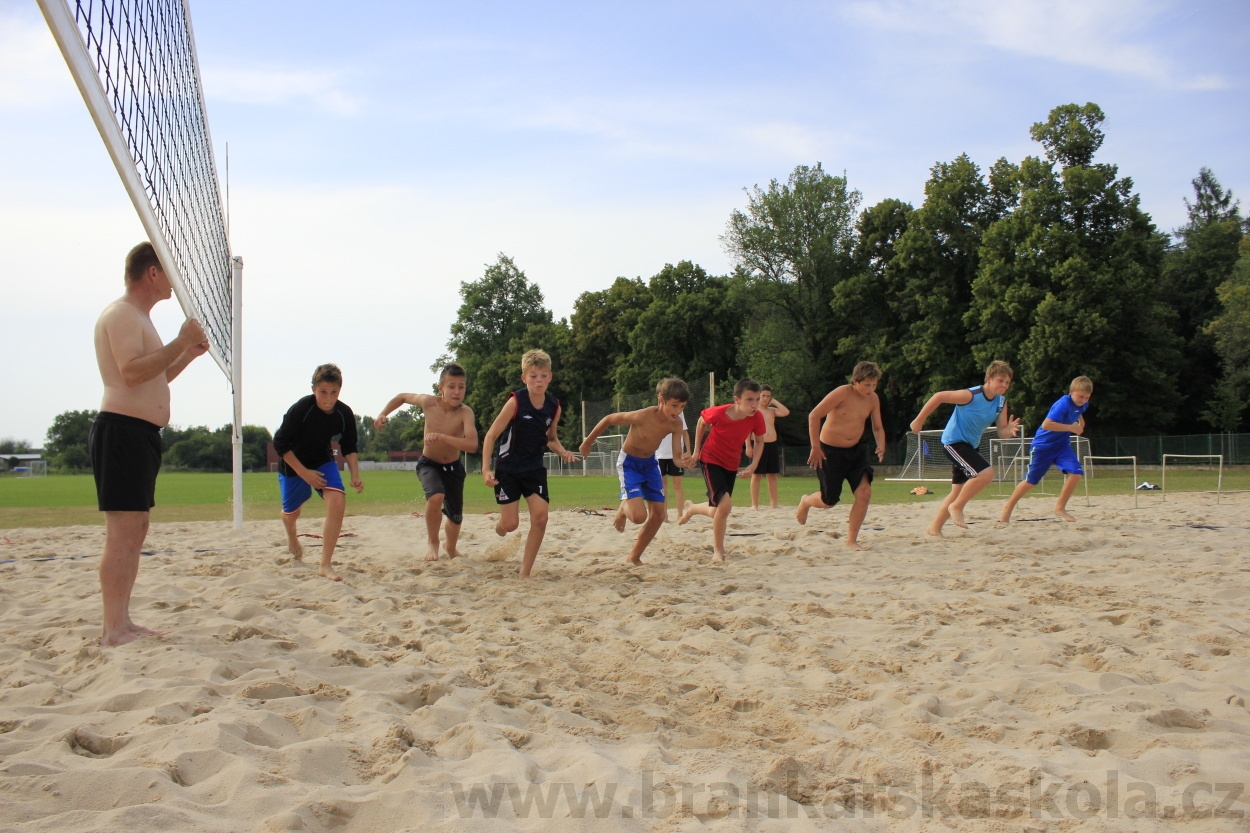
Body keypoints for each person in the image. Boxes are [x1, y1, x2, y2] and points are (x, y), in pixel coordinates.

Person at [90, 242, 209, 646]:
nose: (175, 283)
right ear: (152, 273)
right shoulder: (122, 314)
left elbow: (155, 377)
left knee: (136, 530)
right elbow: (131, 374)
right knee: (122, 534)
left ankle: (122, 621)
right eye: (169, 273)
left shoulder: (140, 318)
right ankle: (113, 629)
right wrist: (179, 341)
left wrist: (187, 354)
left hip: (140, 435)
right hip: (121, 432)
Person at [481, 349, 579, 579]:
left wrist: (563, 452)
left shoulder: (554, 406)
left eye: (543, 375)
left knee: (541, 517)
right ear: (524, 378)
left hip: (534, 469)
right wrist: (486, 469)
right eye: (533, 376)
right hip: (508, 469)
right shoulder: (516, 402)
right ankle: (501, 524)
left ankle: (524, 573)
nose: (539, 381)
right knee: (511, 524)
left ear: (550, 377)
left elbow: (551, 438)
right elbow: (490, 435)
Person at [579, 378, 694, 564]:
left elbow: (676, 457)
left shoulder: (676, 424)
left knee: (659, 514)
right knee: (639, 517)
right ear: (661, 400)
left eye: (682, 407)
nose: (678, 411)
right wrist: (588, 442)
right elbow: (609, 419)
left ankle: (634, 557)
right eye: (674, 406)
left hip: (650, 464)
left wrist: (684, 462)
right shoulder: (643, 416)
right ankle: (623, 509)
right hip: (629, 463)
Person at [375, 362, 478, 561]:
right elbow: (402, 397)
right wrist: (383, 413)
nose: (457, 392)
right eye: (451, 386)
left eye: (461, 386)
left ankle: (451, 547)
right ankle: (433, 542)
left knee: (455, 518)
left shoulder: (466, 412)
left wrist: (442, 437)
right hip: (429, 463)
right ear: (441, 389)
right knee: (436, 496)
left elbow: (472, 445)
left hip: (454, 468)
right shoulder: (429, 402)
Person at [273, 364, 364, 581]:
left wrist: (355, 476)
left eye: (334, 392)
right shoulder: (301, 409)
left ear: (340, 390)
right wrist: (304, 473)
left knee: (337, 501)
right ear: (314, 389)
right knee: (291, 514)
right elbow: (280, 444)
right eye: (323, 392)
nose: (328, 398)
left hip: (322, 460)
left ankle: (325, 564)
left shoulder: (344, 413)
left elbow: (349, 446)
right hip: (293, 464)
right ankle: (292, 535)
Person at [910, 360, 1020, 536]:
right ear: (989, 379)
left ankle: (935, 528)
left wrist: (1009, 430)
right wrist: (919, 420)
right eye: (1001, 380)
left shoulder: (1001, 402)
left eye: (1008, 382)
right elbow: (939, 396)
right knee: (986, 474)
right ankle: (957, 507)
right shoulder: (971, 395)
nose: (1005, 385)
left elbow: (1001, 432)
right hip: (953, 442)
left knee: (958, 491)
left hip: (970, 446)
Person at [795, 362, 886, 550]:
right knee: (829, 501)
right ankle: (806, 501)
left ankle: (851, 540)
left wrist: (881, 444)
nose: (871, 389)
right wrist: (815, 446)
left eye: (874, 385)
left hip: (856, 451)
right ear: (855, 381)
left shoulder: (873, 399)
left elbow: (877, 426)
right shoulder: (842, 393)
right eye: (867, 385)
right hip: (829, 452)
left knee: (864, 493)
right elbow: (814, 416)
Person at [678, 379, 767, 563]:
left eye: (757, 399)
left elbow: (759, 441)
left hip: (731, 463)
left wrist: (754, 465)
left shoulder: (756, 418)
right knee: (725, 506)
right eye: (750, 400)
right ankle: (718, 552)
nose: (755, 405)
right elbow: (702, 422)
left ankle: (692, 508)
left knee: (719, 510)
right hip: (710, 460)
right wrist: (696, 452)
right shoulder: (719, 412)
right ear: (737, 400)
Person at [1000, 376, 1093, 523]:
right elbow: (1046, 425)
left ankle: (1060, 507)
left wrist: (1081, 422)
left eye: (1087, 397)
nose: (1083, 400)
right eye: (1080, 396)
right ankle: (1008, 506)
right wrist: (1072, 428)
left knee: (1076, 473)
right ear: (1071, 391)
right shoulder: (1062, 404)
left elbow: (1079, 411)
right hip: (1042, 446)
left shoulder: (1083, 404)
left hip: (1061, 445)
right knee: (1031, 481)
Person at [746, 385, 790, 509]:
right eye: (763, 396)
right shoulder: (754, 411)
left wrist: (774, 401)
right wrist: (748, 445)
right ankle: (754, 504)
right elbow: (747, 430)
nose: (765, 398)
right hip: (758, 445)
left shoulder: (772, 410)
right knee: (756, 474)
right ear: (758, 396)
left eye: (768, 396)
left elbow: (786, 412)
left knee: (772, 475)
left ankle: (774, 503)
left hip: (772, 444)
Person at [655, 409, 689, 522]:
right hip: (660, 454)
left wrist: (689, 451)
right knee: (663, 485)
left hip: (676, 454)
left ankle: (680, 514)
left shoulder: (679, 411)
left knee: (677, 484)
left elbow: (684, 432)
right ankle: (664, 516)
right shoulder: (657, 412)